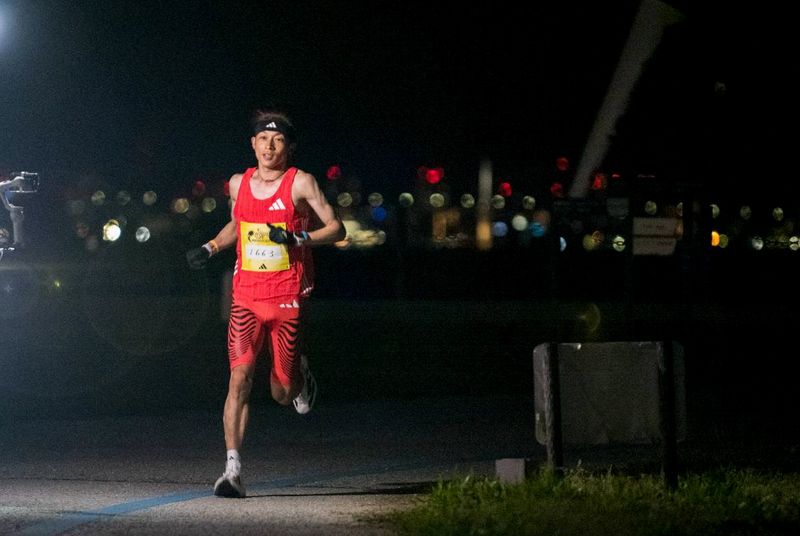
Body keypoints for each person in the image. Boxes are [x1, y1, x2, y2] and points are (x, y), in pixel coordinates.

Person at [186, 110, 345, 498]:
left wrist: (297, 238)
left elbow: (337, 229)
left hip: (287, 297)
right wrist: (210, 247)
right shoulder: (238, 183)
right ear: (253, 144)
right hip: (246, 297)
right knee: (239, 378)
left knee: (282, 393)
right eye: (263, 139)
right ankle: (232, 471)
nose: (269, 146)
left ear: (288, 147)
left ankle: (299, 374)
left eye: (278, 140)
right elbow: (236, 224)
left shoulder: (300, 182)